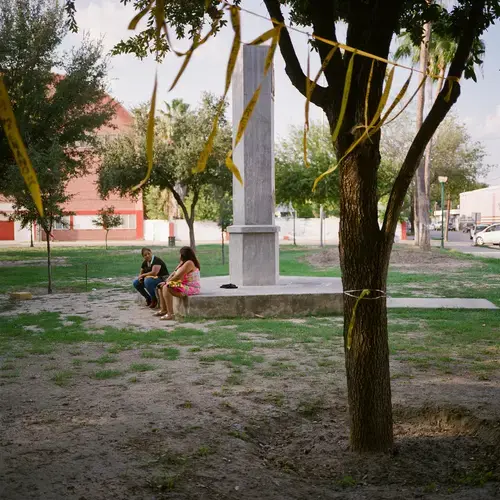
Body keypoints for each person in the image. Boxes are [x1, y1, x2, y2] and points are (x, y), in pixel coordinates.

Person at [154, 246, 201, 321]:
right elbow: (174, 273)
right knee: (161, 286)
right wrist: (166, 281)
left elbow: (178, 276)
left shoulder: (189, 263)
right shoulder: (183, 263)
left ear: (183, 255)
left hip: (191, 287)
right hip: (183, 285)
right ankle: (163, 310)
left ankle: (170, 314)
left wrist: (167, 283)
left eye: (180, 254)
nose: (179, 256)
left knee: (166, 286)